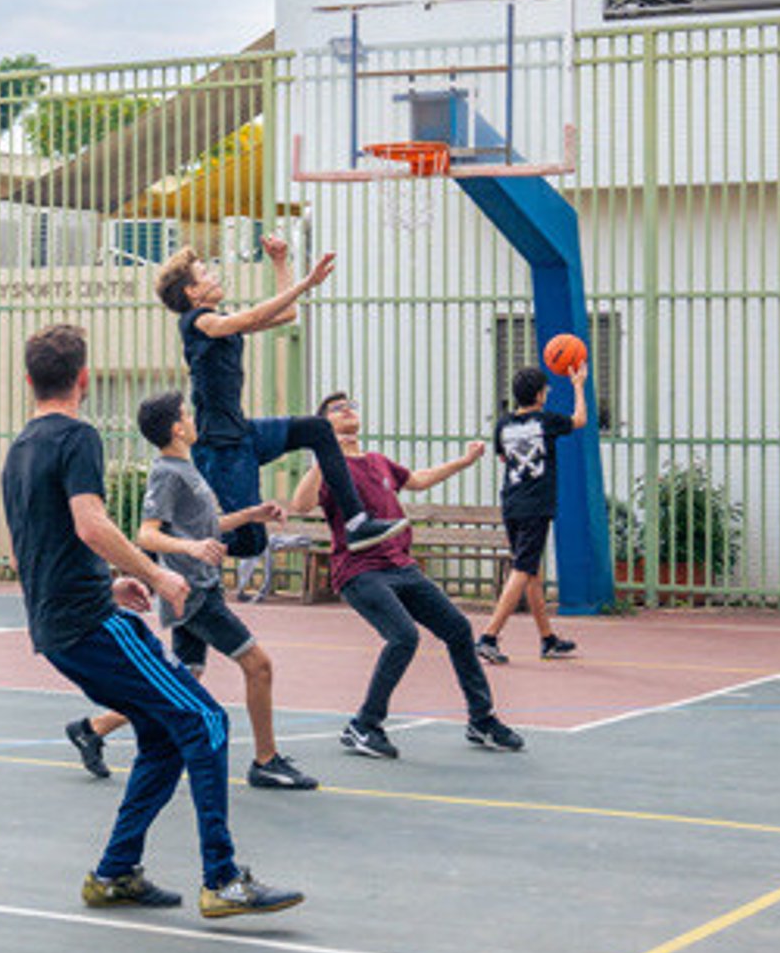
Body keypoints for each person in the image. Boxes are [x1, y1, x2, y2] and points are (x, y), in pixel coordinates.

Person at [3, 324, 303, 919]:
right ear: (83, 379)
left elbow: (27, 549)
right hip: (92, 626)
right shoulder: (77, 437)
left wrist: (106, 579)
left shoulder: (19, 449)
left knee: (164, 737)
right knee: (207, 719)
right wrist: (158, 574)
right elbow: (91, 524)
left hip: (57, 626)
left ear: (29, 380)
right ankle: (221, 878)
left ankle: (115, 873)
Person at [65, 390, 318, 791]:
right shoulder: (167, 472)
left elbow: (205, 526)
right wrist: (191, 548)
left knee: (186, 677)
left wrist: (252, 514)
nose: (195, 418)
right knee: (259, 665)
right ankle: (266, 760)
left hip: (201, 587)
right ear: (177, 428)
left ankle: (92, 729)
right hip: (193, 595)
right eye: (187, 413)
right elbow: (147, 535)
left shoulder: (188, 467)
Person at [290, 391, 525, 757]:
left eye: (351, 405)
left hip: (401, 566)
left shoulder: (378, 462)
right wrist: (324, 452)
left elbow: (417, 480)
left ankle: (481, 720)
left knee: (459, 630)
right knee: (403, 637)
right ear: (324, 424)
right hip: (360, 572)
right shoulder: (330, 468)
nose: (348, 410)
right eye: (337, 409)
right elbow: (301, 505)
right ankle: (364, 726)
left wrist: (463, 462)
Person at [154, 237, 405, 558]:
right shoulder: (196, 322)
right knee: (251, 543)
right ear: (191, 291)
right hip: (220, 447)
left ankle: (356, 523)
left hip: (243, 433)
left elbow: (287, 315)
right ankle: (171, 543)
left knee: (318, 428)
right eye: (206, 273)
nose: (215, 277)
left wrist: (280, 262)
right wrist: (306, 283)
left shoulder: (218, 320)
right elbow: (249, 320)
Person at [475, 362, 589, 665]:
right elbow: (580, 420)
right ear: (540, 394)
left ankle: (548, 639)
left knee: (532, 573)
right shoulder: (546, 420)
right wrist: (578, 384)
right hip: (535, 505)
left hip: (512, 502)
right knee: (523, 569)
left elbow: (503, 457)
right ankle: (489, 636)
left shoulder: (503, 425)